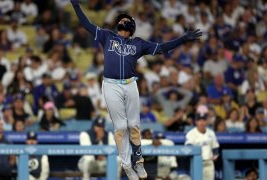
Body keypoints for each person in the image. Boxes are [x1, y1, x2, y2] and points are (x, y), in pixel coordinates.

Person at [70, 1, 202, 179]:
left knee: (133, 125)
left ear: (131, 26)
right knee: (120, 127)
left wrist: (182, 39)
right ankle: (126, 165)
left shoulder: (138, 43)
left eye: (125, 19)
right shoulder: (107, 36)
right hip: (110, 84)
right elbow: (86, 24)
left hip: (130, 83)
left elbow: (161, 48)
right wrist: (77, 6)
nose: (121, 20)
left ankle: (138, 161)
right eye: (120, 19)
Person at [185, 113, 219, 180]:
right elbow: (187, 148)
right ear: (196, 122)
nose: (202, 122)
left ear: (207, 121)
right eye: (199, 120)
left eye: (204, 120)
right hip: (197, 162)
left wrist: (215, 155)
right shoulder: (191, 134)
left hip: (209, 162)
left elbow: (215, 147)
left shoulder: (211, 133)